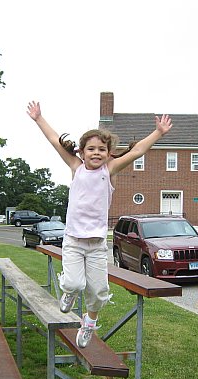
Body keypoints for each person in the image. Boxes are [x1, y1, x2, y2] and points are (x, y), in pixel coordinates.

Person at [27, 101, 172, 347]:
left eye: (102, 149)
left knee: (99, 292)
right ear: (81, 152)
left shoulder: (109, 170)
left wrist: (158, 133)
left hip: (96, 245)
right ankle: (69, 292)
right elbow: (54, 140)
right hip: (73, 241)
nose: (96, 153)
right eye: (91, 149)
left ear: (108, 153)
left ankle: (89, 322)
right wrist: (39, 118)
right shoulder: (76, 167)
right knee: (74, 283)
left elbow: (137, 152)